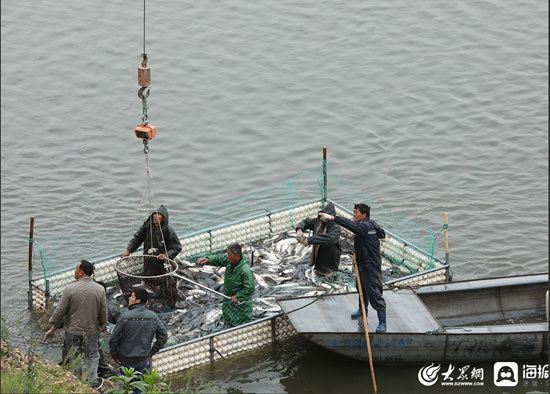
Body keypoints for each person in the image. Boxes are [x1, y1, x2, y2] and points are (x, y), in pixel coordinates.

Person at [319, 203, 387, 332]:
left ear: (364, 214)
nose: (354, 214)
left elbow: (350, 225)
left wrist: (332, 217)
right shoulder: (370, 224)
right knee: (360, 287)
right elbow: (381, 233)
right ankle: (362, 309)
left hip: (371, 266)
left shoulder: (365, 227)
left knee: (375, 295)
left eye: (356, 212)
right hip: (361, 264)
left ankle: (382, 323)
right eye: (354, 212)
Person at [45, 260, 108, 387]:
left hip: (72, 330)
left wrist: (53, 322)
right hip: (91, 330)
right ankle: (91, 381)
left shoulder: (70, 288)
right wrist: (103, 324)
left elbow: (60, 310)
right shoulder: (100, 289)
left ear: (81, 272)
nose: (74, 271)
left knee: (74, 355)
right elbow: (103, 310)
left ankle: (78, 381)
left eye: (76, 269)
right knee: (93, 355)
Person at [108, 287, 168, 380]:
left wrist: (114, 355)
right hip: (143, 358)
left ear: (138, 300)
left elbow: (113, 338)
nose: (129, 298)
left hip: (125, 359)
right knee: (140, 386)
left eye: (132, 296)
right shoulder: (153, 316)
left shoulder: (124, 316)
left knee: (128, 385)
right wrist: (152, 352)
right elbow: (163, 336)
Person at [197, 243, 255, 327]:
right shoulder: (230, 261)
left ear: (236, 255)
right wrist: (208, 259)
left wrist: (237, 296)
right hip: (228, 301)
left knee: (240, 326)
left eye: (229, 254)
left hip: (240, 305)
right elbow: (220, 258)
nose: (227, 256)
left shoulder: (245, 270)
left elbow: (250, 288)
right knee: (228, 321)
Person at [121, 205, 182, 276]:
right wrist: (129, 250)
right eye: (154, 214)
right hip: (148, 260)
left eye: (158, 214)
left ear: (163, 217)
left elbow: (177, 247)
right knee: (148, 274)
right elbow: (138, 238)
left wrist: (166, 255)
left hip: (162, 263)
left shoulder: (169, 231)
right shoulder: (147, 227)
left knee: (161, 277)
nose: (155, 216)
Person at [295, 202, 341, 275]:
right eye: (321, 215)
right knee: (318, 271)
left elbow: (330, 239)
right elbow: (306, 222)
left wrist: (309, 240)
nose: (322, 217)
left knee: (328, 275)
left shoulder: (336, 227)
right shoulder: (319, 221)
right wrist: (299, 230)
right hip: (318, 255)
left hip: (330, 259)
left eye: (324, 215)